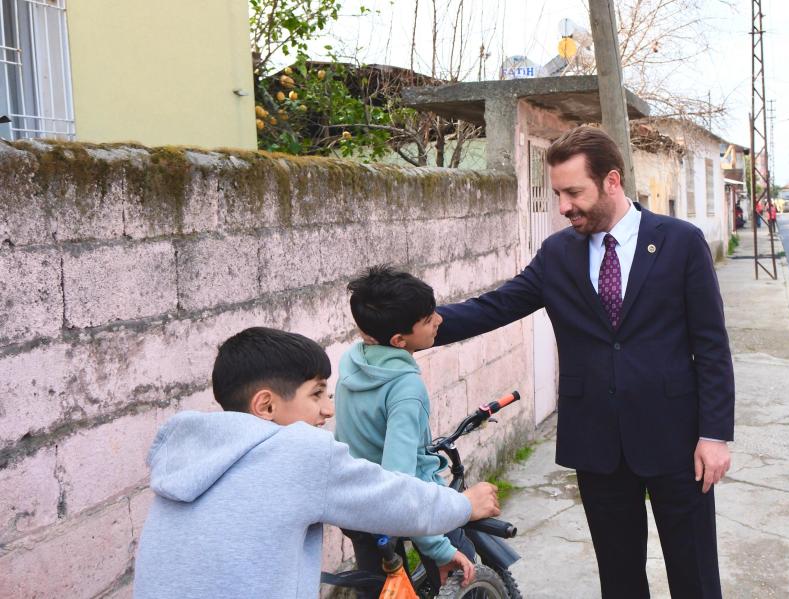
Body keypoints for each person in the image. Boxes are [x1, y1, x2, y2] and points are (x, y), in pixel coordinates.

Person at [433, 126, 735, 598]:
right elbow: (496, 306)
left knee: (694, 572)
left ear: (612, 181)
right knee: (618, 577)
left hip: (676, 437)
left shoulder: (680, 242)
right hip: (597, 442)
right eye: (557, 194)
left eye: (574, 192)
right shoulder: (558, 253)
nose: (564, 207)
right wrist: (420, 327)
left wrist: (714, 435)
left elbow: (712, 347)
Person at [133, 326, 500, 599]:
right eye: (316, 394)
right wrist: (464, 505)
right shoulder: (296, 450)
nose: (327, 408)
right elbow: (399, 502)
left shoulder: (188, 457)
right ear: (266, 406)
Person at [335, 266, 477, 596]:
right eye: (428, 320)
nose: (439, 320)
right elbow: (400, 483)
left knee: (380, 588)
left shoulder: (352, 366)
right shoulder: (405, 388)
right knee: (466, 571)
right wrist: (440, 549)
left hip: (360, 508)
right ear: (399, 341)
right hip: (406, 505)